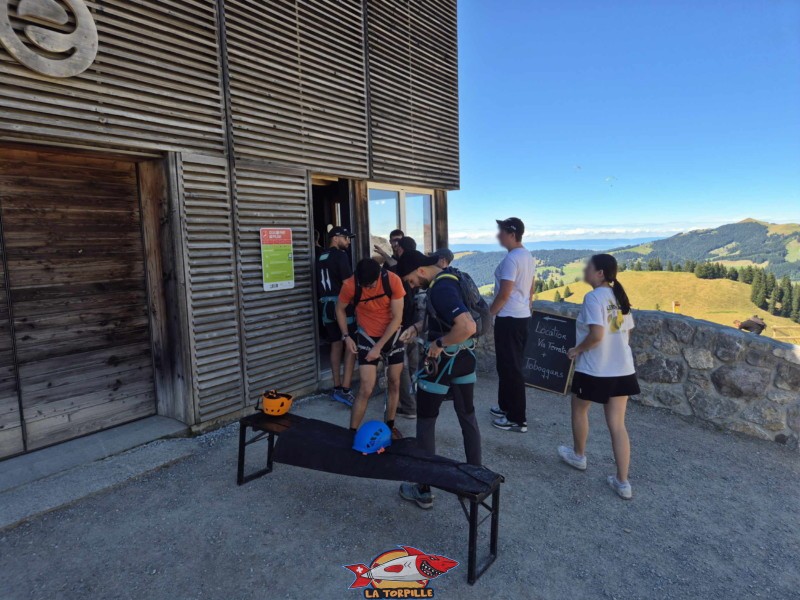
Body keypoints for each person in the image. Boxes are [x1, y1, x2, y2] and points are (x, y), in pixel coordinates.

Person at [396, 249, 481, 509]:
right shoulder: (451, 278)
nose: (411, 286)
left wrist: (438, 344)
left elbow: (467, 326)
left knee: (426, 422)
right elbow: (444, 318)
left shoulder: (440, 288)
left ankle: (423, 489)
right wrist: (416, 327)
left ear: (421, 270)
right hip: (465, 358)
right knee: (467, 416)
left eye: (411, 280)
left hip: (442, 362)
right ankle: (475, 480)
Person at [559, 253, 640, 500]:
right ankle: (623, 482)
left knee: (579, 410)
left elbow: (597, 335)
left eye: (589, 267)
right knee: (617, 425)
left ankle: (579, 455)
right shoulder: (618, 297)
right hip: (622, 369)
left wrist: (576, 350)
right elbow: (625, 332)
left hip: (595, 369)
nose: (585, 270)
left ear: (600, 273)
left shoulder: (593, 298)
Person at [337, 258, 406, 434]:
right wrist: (346, 336)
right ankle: (351, 432)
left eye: (371, 285)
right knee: (366, 387)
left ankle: (389, 427)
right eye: (364, 285)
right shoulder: (351, 285)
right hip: (367, 335)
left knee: (394, 381)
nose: (367, 288)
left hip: (392, 335)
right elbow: (339, 309)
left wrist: (378, 347)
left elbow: (397, 317)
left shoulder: (393, 280)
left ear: (379, 275)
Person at [488, 218, 536, 433]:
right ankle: (505, 406)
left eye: (501, 231)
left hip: (509, 319)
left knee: (511, 368)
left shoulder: (511, 259)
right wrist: (527, 306)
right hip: (521, 317)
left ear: (511, 234)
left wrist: (489, 314)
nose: (498, 235)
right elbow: (531, 288)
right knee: (507, 366)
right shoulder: (527, 255)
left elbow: (504, 293)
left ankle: (517, 419)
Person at [315, 226, 357, 405]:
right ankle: (346, 389)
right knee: (350, 344)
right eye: (346, 238)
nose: (348, 242)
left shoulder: (321, 256)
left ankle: (336, 387)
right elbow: (348, 283)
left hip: (326, 305)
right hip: (342, 305)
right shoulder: (341, 255)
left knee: (335, 344)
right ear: (335, 238)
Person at [394, 237, 421, 419]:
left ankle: (409, 407)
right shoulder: (419, 269)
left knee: (401, 368)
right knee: (414, 366)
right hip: (416, 325)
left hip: (403, 326)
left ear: (401, 249)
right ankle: (418, 402)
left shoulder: (401, 274)